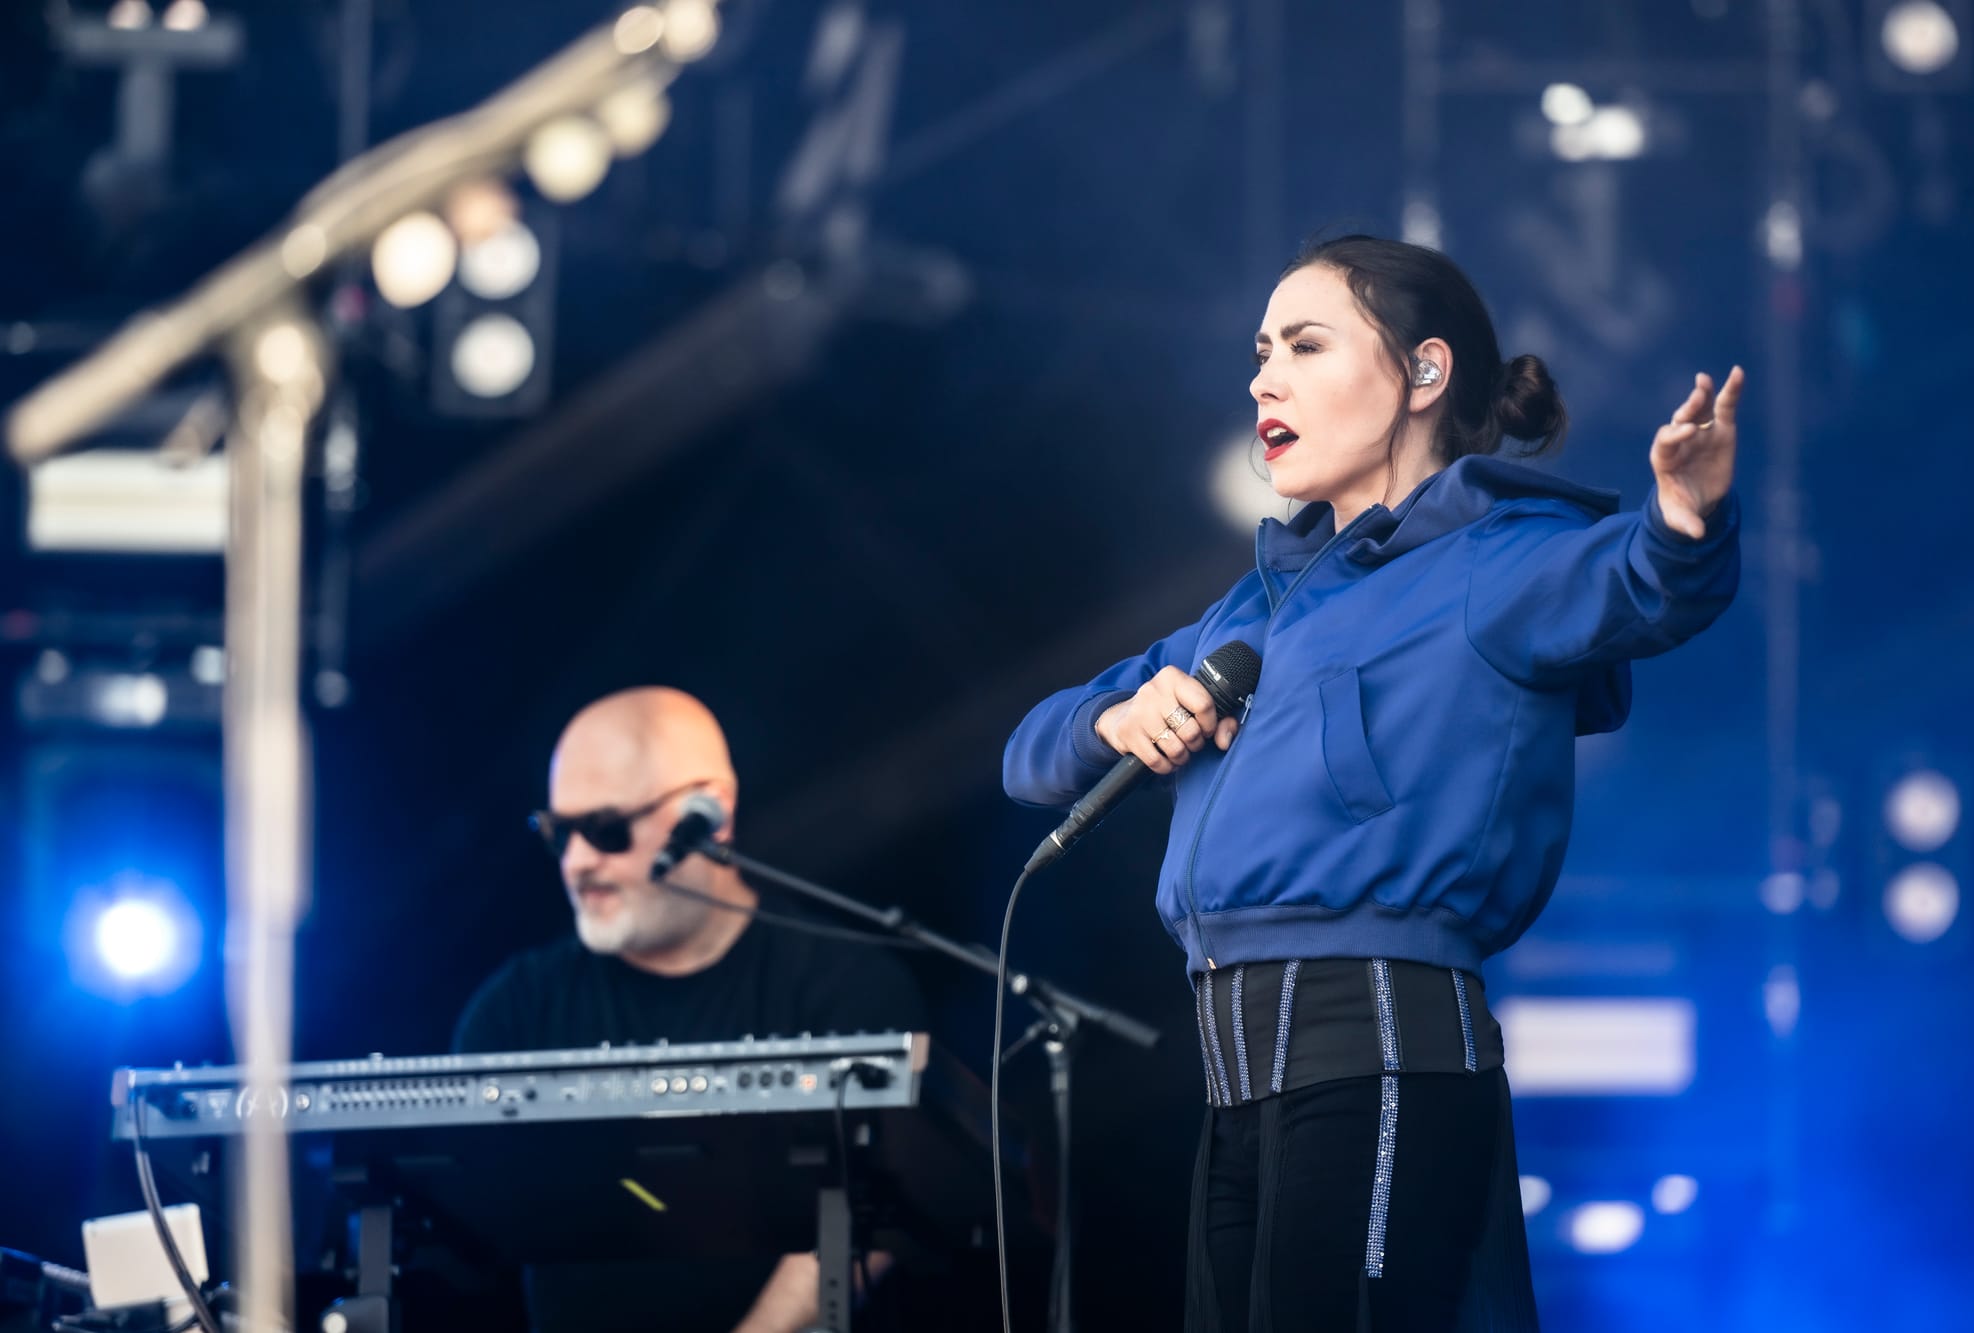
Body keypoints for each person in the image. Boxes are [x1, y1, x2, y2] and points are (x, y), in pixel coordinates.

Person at [1001, 234, 1743, 1333]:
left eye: (1304, 344)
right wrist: (1113, 715)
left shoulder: (1491, 557)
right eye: (1259, 351)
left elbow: (1639, 583)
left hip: (1379, 1055)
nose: (1263, 377)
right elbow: (1029, 754)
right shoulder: (1249, 611)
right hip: (1233, 1082)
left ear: (1422, 374)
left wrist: (1684, 516)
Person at [455, 686, 927, 1333]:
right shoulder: (516, 1011)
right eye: (558, 832)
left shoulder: (845, 984)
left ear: (709, 815)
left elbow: (880, 1208)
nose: (577, 861)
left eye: (606, 828)